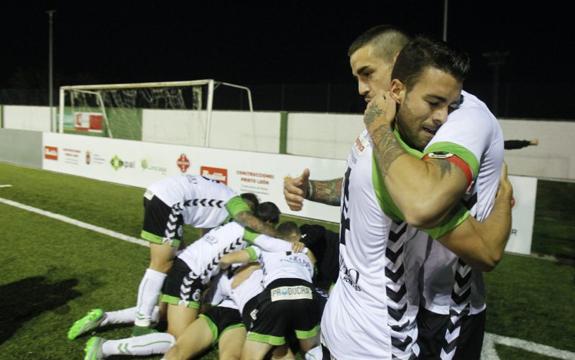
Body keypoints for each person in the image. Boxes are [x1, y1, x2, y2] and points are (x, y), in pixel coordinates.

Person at [284, 28, 512, 359]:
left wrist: (502, 203)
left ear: (397, 67)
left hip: (403, 326)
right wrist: (312, 189)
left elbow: (423, 207)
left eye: (367, 74)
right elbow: (359, 188)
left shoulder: (425, 135)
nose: (361, 88)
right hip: (351, 321)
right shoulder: (388, 128)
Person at [80, 202, 281, 360]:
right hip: (190, 276)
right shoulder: (254, 235)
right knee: (177, 337)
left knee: (165, 313)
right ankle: (106, 347)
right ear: (268, 223)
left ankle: (108, 317)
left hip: (181, 267)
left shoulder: (230, 225)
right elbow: (269, 247)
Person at [219, 222, 323, 360]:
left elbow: (227, 259)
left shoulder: (265, 247)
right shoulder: (305, 252)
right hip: (306, 294)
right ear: (297, 237)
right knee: (312, 352)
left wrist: (227, 266)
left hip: (277, 295)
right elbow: (314, 267)